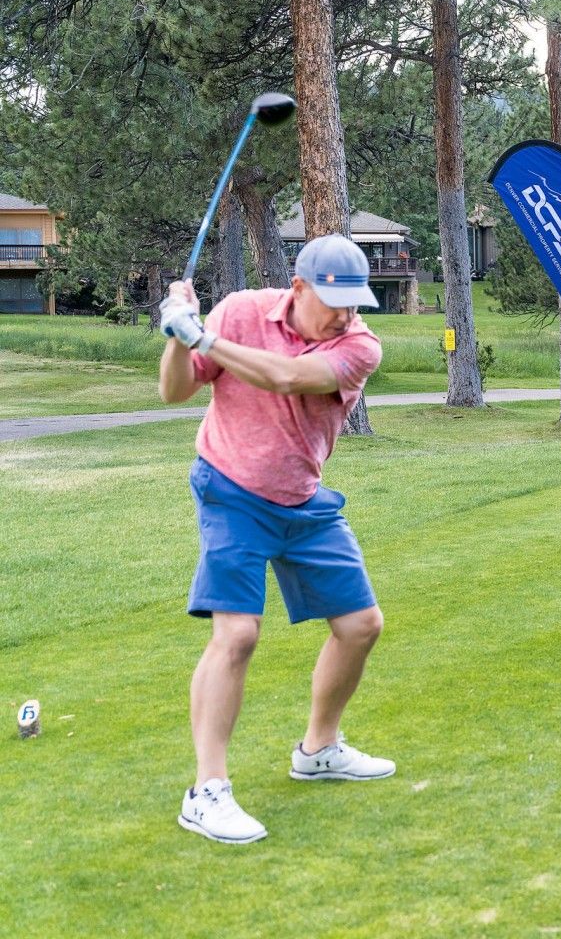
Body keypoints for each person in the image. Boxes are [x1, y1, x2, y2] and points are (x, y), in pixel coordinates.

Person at [158, 234, 392, 845]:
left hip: (302, 497)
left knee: (360, 625)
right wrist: (177, 333)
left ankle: (319, 749)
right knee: (236, 634)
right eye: (334, 303)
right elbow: (174, 391)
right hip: (231, 489)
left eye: (355, 303)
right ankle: (207, 792)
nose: (345, 315)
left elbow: (287, 378)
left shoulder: (360, 346)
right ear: (298, 288)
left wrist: (201, 337)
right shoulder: (239, 311)